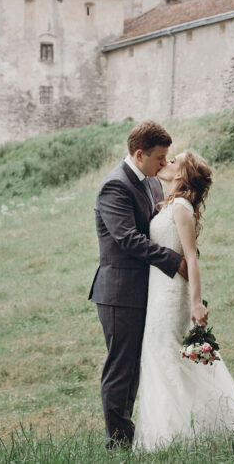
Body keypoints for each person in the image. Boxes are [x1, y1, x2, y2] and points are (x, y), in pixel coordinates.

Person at [133, 150, 234, 452]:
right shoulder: (168, 205)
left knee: (170, 357)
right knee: (160, 357)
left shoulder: (182, 208)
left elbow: (192, 258)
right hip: (158, 293)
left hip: (173, 297)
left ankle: (185, 432)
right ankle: (170, 431)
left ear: (182, 175)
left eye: (174, 161)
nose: (166, 162)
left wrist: (197, 303)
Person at [88, 120, 190, 449]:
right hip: (118, 293)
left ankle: (133, 434)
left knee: (137, 364)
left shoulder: (150, 183)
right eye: (160, 157)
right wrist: (176, 262)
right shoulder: (114, 186)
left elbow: (158, 229)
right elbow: (129, 240)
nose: (165, 163)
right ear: (139, 153)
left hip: (146, 289)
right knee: (121, 367)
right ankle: (117, 442)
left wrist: (186, 248)